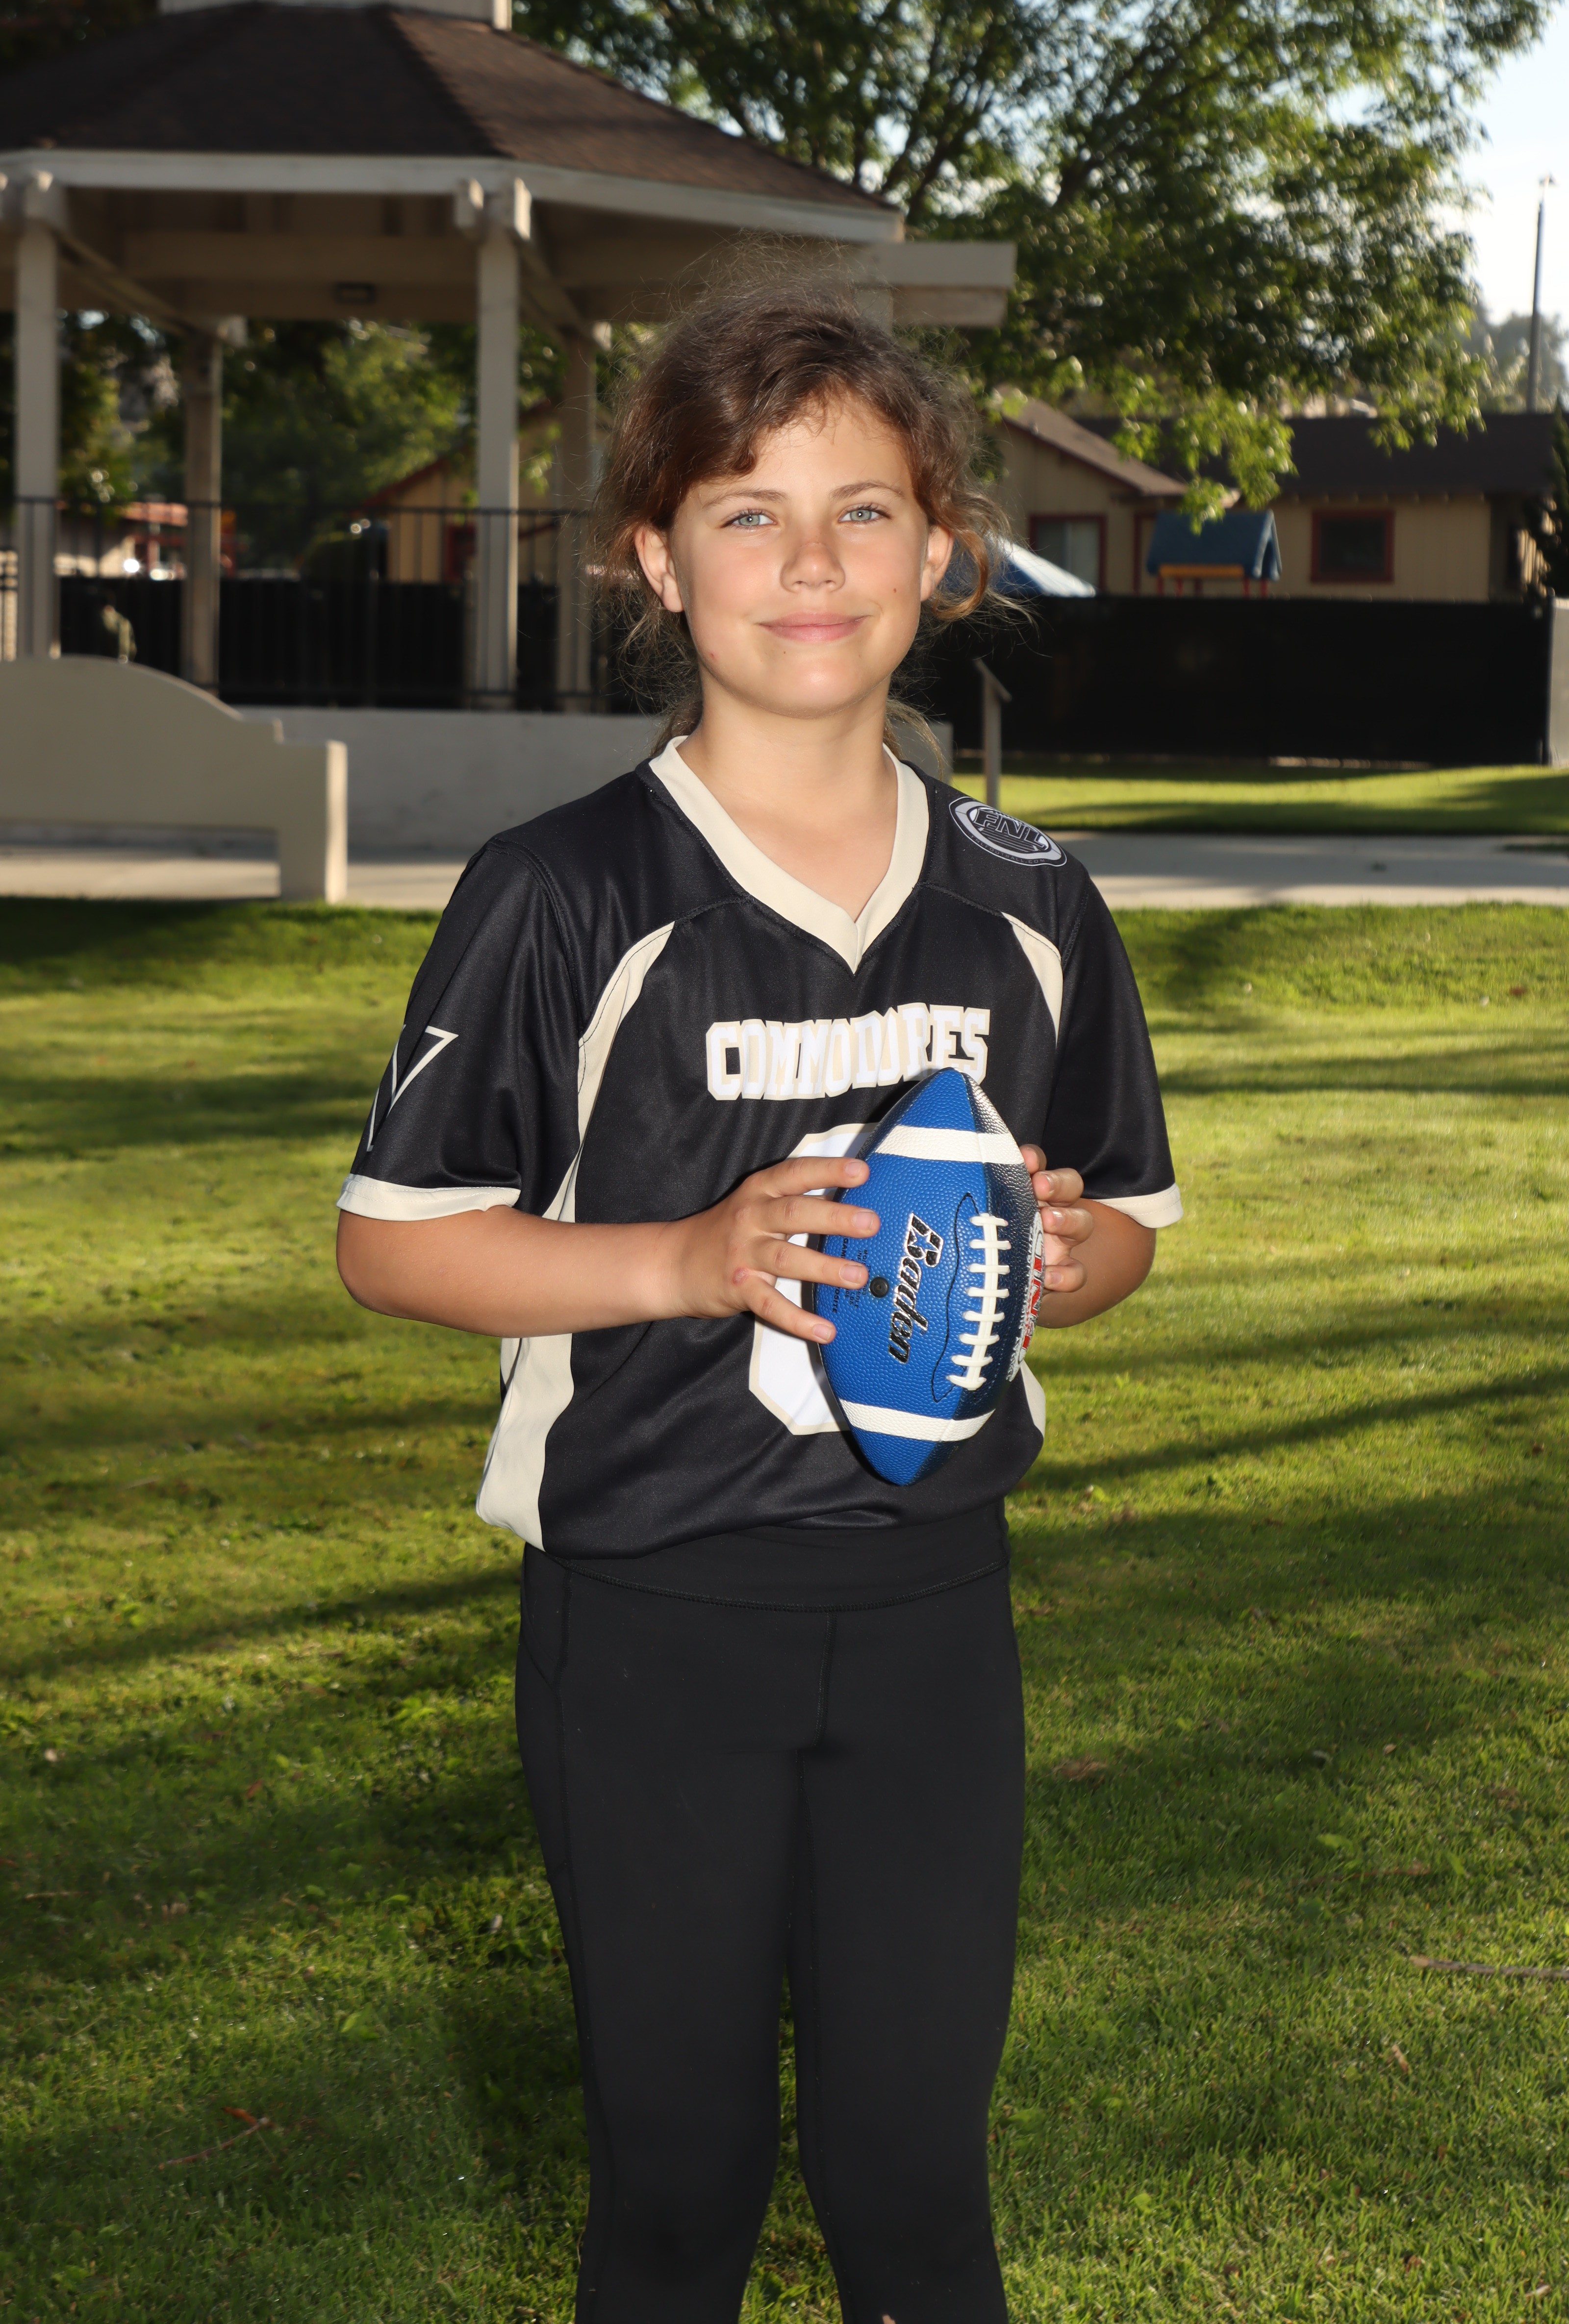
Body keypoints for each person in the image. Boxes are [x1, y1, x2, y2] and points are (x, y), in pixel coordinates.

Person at [335, 281, 1181, 2324]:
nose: (811, 563)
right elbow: (396, 1239)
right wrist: (685, 1260)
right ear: (655, 558)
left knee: (917, 2187)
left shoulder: (1031, 899)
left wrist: (1074, 1260)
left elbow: (1122, 1221)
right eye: (747, 512)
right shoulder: (564, 891)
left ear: (941, 554)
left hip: (930, 1618)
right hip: (654, 1616)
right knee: (678, 2185)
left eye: (863, 510)